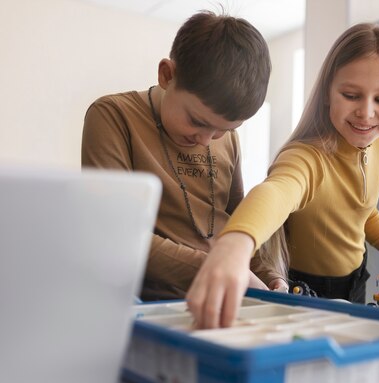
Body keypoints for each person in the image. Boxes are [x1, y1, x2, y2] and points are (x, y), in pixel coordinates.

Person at [186, 22, 379, 328]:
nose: (366, 112)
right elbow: (277, 192)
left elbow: (362, 212)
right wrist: (234, 245)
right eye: (351, 95)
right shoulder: (308, 157)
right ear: (327, 93)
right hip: (305, 288)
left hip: (355, 279)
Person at [82, 11, 288, 300]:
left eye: (223, 129)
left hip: (220, 297)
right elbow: (115, 234)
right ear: (167, 75)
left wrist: (270, 276)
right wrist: (221, 267)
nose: (206, 139)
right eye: (198, 121)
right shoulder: (113, 116)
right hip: (143, 302)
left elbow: (236, 221)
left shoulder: (228, 139)